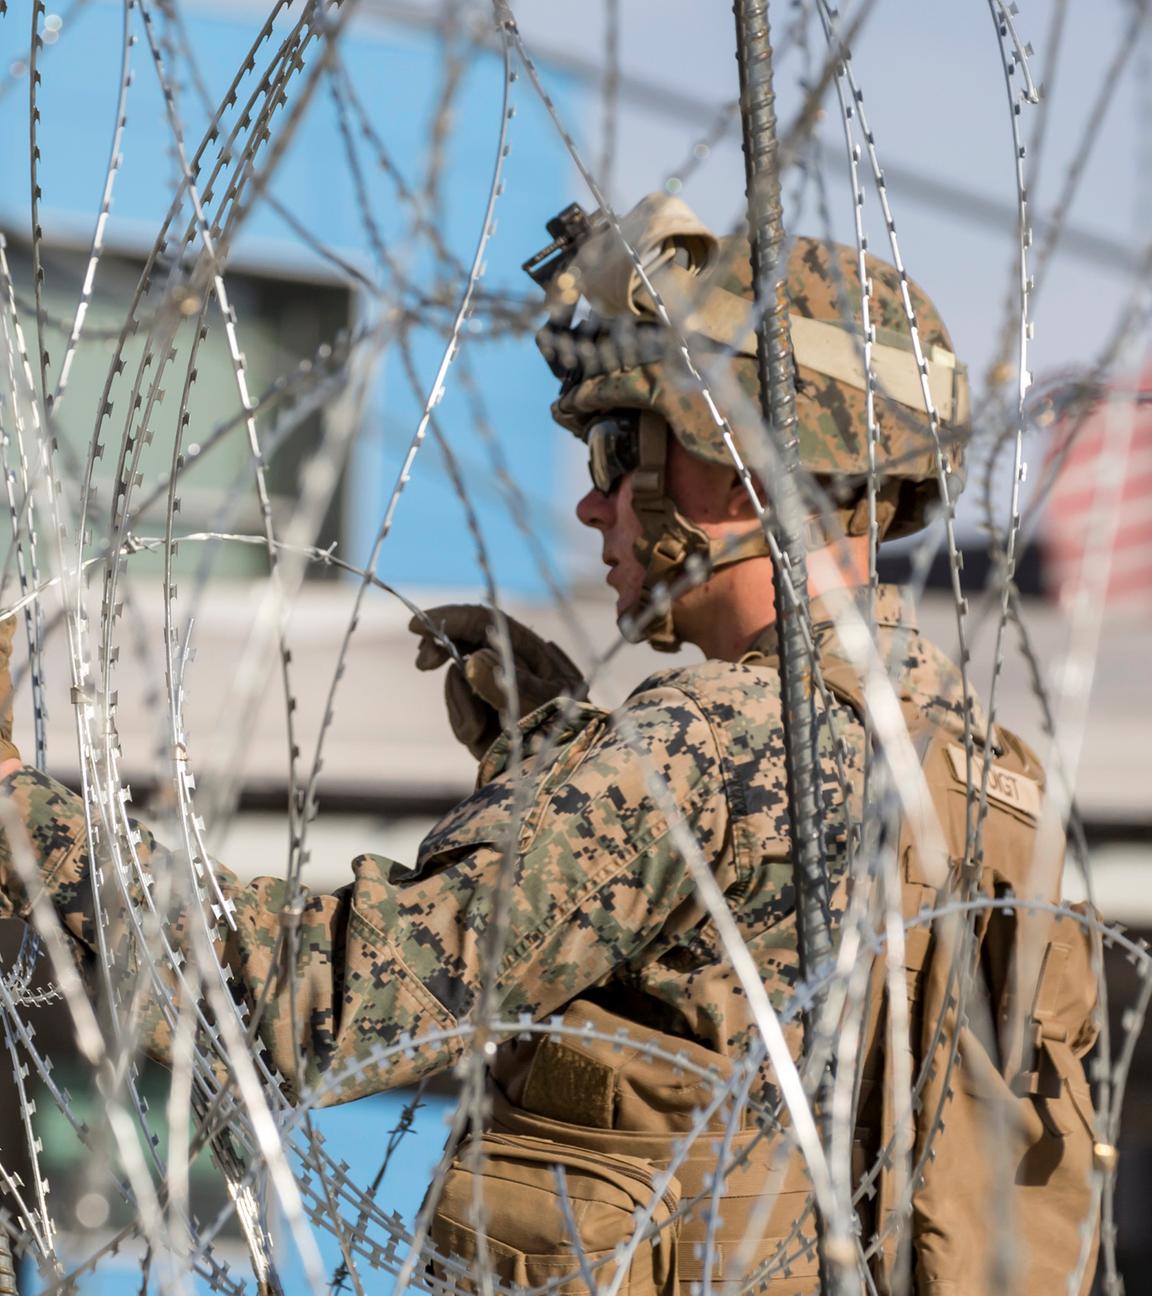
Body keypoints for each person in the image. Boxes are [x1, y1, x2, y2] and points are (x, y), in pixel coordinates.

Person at [0, 196, 1098, 1294]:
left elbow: (324, 1007)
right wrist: (562, 756)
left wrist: (20, 813)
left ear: (747, 465)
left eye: (622, 447)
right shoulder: (993, 777)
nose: (594, 506)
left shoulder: (697, 752)